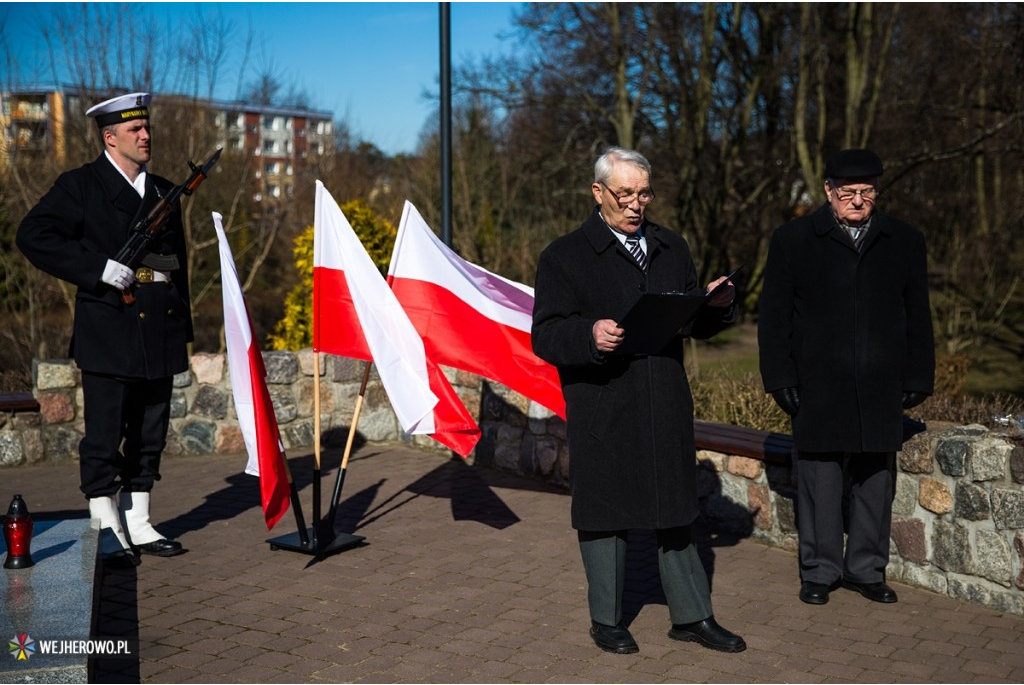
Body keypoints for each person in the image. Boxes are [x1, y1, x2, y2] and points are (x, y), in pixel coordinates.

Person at [531, 146, 745, 655]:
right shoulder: (564, 256)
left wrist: (715, 306)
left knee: (676, 509)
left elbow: (689, 320)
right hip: (604, 403)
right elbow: (545, 334)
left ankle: (692, 616)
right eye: (624, 193)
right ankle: (607, 620)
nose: (635, 203)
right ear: (598, 192)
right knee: (605, 512)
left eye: (643, 192)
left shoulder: (672, 246)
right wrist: (589, 335)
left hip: (665, 399)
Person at [17, 92, 192, 563]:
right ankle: (104, 522)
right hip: (109, 328)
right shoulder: (80, 186)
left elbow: (178, 267)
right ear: (109, 137)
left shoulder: (164, 191)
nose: (146, 135)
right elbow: (32, 236)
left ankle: (139, 521)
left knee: (150, 432)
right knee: (105, 432)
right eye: (135, 130)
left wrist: (184, 328)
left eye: (147, 127)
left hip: (159, 327)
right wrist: (97, 268)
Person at [758, 148, 934, 605]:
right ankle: (819, 571)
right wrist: (779, 377)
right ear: (828, 192)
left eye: (867, 192)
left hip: (880, 382)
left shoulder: (905, 240)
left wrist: (919, 373)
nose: (858, 201)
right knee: (819, 479)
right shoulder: (793, 239)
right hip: (816, 382)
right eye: (848, 193)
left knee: (876, 481)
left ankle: (866, 570)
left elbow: (918, 314)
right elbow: (773, 317)